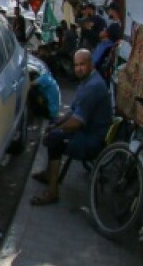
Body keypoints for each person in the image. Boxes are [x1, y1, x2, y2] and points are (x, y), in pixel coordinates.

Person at [30, 49, 115, 206]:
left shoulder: (93, 87)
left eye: (82, 64)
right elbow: (73, 111)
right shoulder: (87, 81)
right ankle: (49, 174)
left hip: (92, 140)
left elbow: (77, 122)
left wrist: (57, 129)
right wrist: (56, 124)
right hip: (85, 132)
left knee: (55, 138)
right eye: (76, 65)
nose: (78, 69)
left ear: (91, 64)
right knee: (53, 130)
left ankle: (52, 191)